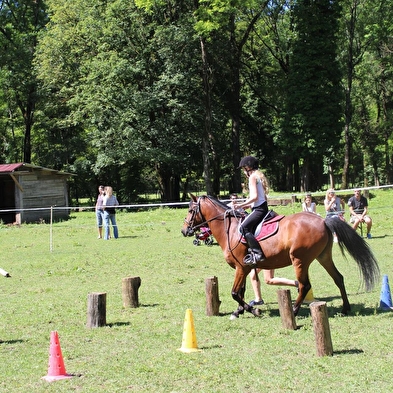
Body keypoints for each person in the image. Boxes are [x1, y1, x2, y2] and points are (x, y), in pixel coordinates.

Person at [233, 156, 269, 265]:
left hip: (259, 210)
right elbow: (263, 198)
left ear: (248, 167)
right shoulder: (259, 176)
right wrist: (248, 206)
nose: (244, 172)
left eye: (244, 169)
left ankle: (258, 253)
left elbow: (254, 197)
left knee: (243, 228)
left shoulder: (252, 177)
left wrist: (240, 205)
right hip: (262, 207)